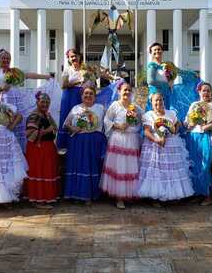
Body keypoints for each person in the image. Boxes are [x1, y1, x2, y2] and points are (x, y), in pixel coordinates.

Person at [0, 48, 52, 151]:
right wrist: (1, 89)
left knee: (18, 123)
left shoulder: (14, 71)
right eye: (3, 58)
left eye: (8, 58)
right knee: (4, 125)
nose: (6, 60)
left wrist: (45, 76)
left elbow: (28, 75)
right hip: (3, 100)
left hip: (17, 100)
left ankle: (19, 150)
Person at [137, 93, 194, 203]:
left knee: (171, 170)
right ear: (152, 103)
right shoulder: (148, 115)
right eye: (156, 100)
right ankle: (155, 197)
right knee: (157, 171)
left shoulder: (171, 113)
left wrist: (174, 130)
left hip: (171, 146)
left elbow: (177, 124)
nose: (159, 102)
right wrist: (156, 140)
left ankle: (173, 195)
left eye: (161, 100)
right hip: (155, 146)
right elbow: (147, 131)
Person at [100, 81, 143, 209]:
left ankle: (128, 194)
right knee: (119, 167)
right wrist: (117, 125)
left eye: (129, 90)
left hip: (132, 139)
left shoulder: (135, 107)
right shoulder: (115, 105)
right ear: (119, 91)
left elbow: (143, 119)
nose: (127, 92)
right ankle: (119, 197)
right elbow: (106, 120)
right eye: (125, 90)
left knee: (130, 168)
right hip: (118, 139)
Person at [63, 84, 107, 204]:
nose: (88, 95)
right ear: (81, 95)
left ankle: (89, 195)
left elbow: (107, 125)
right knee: (77, 166)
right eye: (85, 93)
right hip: (77, 141)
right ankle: (76, 195)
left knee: (90, 166)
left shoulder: (100, 108)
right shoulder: (75, 108)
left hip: (93, 142)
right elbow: (66, 124)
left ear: (95, 96)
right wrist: (73, 128)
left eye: (91, 93)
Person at [184, 82, 212, 205]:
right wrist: (190, 123)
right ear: (199, 92)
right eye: (204, 90)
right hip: (193, 137)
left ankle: (208, 195)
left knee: (205, 165)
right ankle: (198, 193)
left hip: (208, 137)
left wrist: (209, 126)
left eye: (208, 90)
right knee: (194, 166)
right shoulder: (194, 105)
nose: (206, 93)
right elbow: (187, 121)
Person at [146, 42, 199, 123]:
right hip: (156, 96)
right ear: (151, 53)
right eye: (155, 50)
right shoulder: (152, 65)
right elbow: (150, 81)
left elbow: (179, 71)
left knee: (167, 116)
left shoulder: (167, 65)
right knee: (156, 118)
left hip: (167, 95)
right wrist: (166, 84)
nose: (157, 51)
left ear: (162, 51)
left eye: (159, 49)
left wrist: (192, 74)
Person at [25, 91, 60, 209]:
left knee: (47, 171)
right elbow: (29, 134)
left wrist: (51, 129)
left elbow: (54, 128)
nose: (45, 104)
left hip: (48, 147)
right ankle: (38, 200)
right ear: (37, 102)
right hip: (38, 148)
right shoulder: (34, 116)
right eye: (42, 102)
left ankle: (46, 197)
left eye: (47, 102)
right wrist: (46, 131)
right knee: (39, 171)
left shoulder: (46, 115)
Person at [57, 48, 84, 151]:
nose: (74, 58)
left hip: (80, 96)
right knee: (67, 116)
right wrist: (78, 82)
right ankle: (65, 145)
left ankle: (78, 141)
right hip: (69, 96)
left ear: (79, 56)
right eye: (71, 56)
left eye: (75, 55)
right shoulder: (67, 69)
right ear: (68, 58)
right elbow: (64, 85)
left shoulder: (84, 69)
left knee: (80, 116)